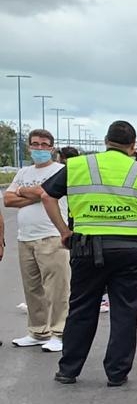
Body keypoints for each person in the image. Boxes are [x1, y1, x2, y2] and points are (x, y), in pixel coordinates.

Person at [41, 120, 137, 386]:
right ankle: (117, 373)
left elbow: (46, 195)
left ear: (106, 141)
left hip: (86, 247)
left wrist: (64, 230)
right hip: (130, 251)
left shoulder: (79, 166)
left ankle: (68, 370)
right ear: (133, 146)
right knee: (124, 312)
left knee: (81, 308)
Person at [5, 129, 69, 352]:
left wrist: (31, 194)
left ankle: (60, 332)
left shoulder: (61, 170)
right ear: (29, 147)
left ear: (52, 147)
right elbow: (8, 199)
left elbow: (45, 193)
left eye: (44, 145)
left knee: (57, 289)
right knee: (33, 288)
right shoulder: (23, 172)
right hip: (25, 237)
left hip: (51, 235)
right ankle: (38, 331)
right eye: (35, 144)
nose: (39, 149)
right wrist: (35, 194)